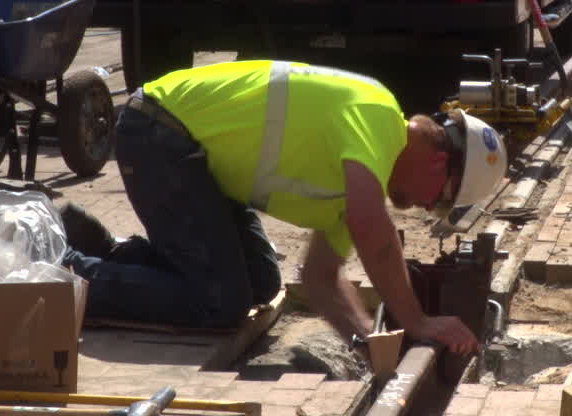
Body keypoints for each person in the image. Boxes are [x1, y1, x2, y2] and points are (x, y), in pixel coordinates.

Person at [60, 60, 508, 356]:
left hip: (190, 155)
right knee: (219, 302)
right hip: (159, 132)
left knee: (261, 282)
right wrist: (417, 321)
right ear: (438, 161)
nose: (428, 207)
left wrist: (366, 341)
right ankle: (62, 277)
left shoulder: (357, 183)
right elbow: (375, 231)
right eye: (441, 197)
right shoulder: (379, 118)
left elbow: (319, 279)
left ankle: (108, 251)